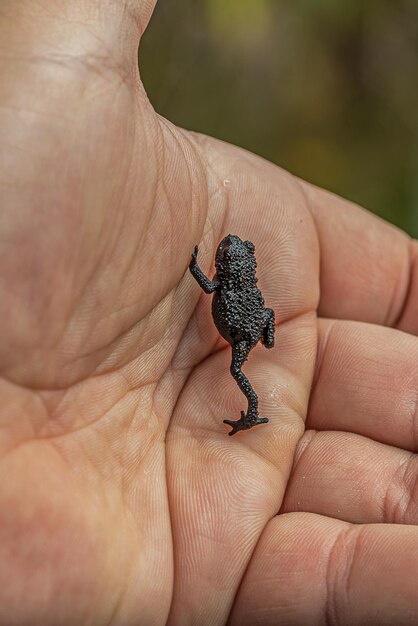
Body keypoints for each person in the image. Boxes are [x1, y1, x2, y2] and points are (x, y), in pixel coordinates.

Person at [0, 2, 417, 624]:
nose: (231, 254)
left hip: (241, 325)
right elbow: (208, 282)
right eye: (232, 253)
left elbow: (201, 280)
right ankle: (252, 401)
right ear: (239, 266)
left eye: (232, 255)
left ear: (237, 266)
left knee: (245, 365)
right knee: (246, 362)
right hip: (247, 323)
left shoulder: (222, 278)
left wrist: (198, 265)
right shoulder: (236, 279)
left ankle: (252, 406)